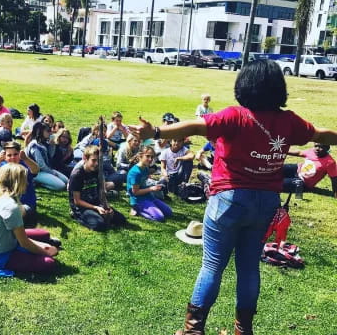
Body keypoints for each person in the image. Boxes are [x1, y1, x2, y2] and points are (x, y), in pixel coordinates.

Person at [129, 59, 337, 335]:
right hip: (265, 202)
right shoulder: (289, 121)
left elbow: (194, 127)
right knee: (249, 267)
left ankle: (192, 330)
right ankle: (243, 330)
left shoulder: (235, 116)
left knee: (213, 266)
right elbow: (320, 134)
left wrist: (156, 132)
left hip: (228, 199)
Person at [0, 163, 59, 276]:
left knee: (43, 234)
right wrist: (45, 252)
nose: (27, 183)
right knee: (48, 263)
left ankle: (46, 242)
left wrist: (41, 245)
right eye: (25, 180)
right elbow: (24, 243)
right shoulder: (10, 207)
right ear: (18, 182)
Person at [68, 146, 127, 231]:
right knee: (100, 225)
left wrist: (107, 207)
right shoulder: (77, 175)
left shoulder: (97, 172)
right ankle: (76, 215)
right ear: (85, 158)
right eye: (93, 160)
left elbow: (101, 193)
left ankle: (99, 215)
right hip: (82, 207)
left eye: (98, 161)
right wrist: (96, 208)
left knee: (121, 220)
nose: (96, 164)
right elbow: (77, 201)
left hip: (96, 203)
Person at [0, 141, 40, 227]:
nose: (12, 158)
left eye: (15, 154)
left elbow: (36, 170)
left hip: (25, 205)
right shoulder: (3, 165)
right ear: (4, 156)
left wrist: (26, 158)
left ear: (20, 154)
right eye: (9, 155)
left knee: (14, 213)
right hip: (8, 203)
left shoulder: (25, 165)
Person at [127, 146, 172, 222]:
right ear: (140, 156)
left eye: (152, 157)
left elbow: (145, 181)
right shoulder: (135, 172)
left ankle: (150, 206)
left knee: (168, 212)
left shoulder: (146, 168)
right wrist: (151, 189)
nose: (150, 159)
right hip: (138, 200)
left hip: (148, 196)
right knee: (159, 217)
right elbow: (135, 192)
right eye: (147, 156)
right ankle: (138, 209)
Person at [26, 122, 68, 191]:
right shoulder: (35, 146)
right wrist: (52, 173)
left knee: (66, 181)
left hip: (46, 169)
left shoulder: (43, 142)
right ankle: (39, 182)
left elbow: (50, 156)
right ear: (40, 132)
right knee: (61, 186)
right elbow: (41, 165)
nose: (50, 132)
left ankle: (44, 181)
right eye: (48, 131)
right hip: (36, 172)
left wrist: (52, 145)